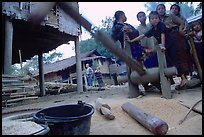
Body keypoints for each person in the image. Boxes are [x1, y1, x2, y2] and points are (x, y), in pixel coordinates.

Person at [156, 3, 191, 90]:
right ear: (157, 11)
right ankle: (175, 79)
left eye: (162, 8)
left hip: (175, 36)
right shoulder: (156, 20)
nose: (161, 10)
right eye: (159, 9)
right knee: (170, 59)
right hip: (166, 40)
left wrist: (180, 31)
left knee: (180, 56)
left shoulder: (171, 16)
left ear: (165, 9)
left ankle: (184, 78)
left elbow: (181, 22)